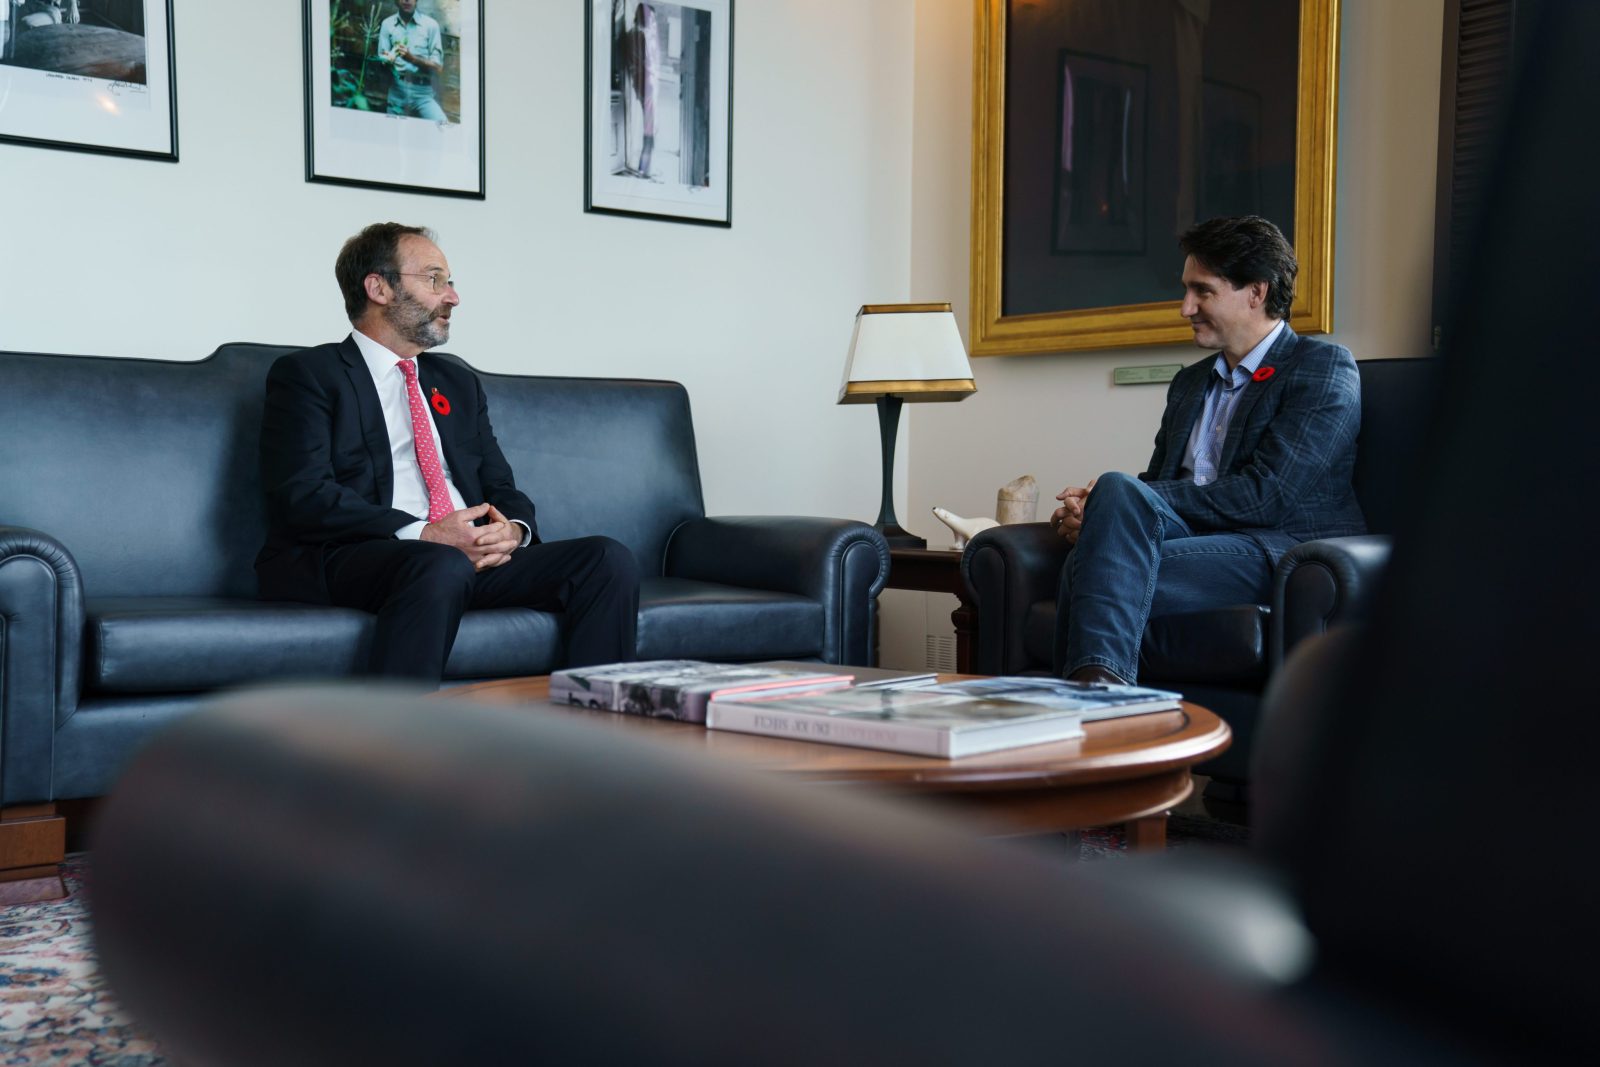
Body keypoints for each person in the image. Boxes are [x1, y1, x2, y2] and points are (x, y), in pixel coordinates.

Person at [255, 223, 639, 685]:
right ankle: (400, 749)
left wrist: (512, 532)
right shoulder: (310, 375)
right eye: (434, 279)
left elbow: (500, 485)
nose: (452, 297)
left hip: (462, 557)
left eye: (450, 282)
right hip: (358, 555)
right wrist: (425, 534)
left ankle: (594, 738)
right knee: (439, 563)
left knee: (606, 559)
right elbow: (303, 495)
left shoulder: (455, 381)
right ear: (378, 287)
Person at [1049, 215, 1363, 684]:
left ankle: (1089, 701)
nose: (1185, 307)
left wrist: (1121, 502)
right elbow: (1157, 486)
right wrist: (1101, 511)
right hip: (1200, 540)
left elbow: (1267, 495)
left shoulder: (1321, 367)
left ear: (1256, 292)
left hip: (1281, 548)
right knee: (1114, 501)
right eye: (1185, 290)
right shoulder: (1189, 383)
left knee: (1089, 565)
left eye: (1203, 291)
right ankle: (1100, 696)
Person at [378, 0, 445, 123]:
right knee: (392, 135)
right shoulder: (387, 24)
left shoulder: (430, 25)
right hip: (397, 92)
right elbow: (382, 60)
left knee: (442, 126)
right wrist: (386, 60)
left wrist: (412, 58)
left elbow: (438, 67)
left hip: (423, 94)